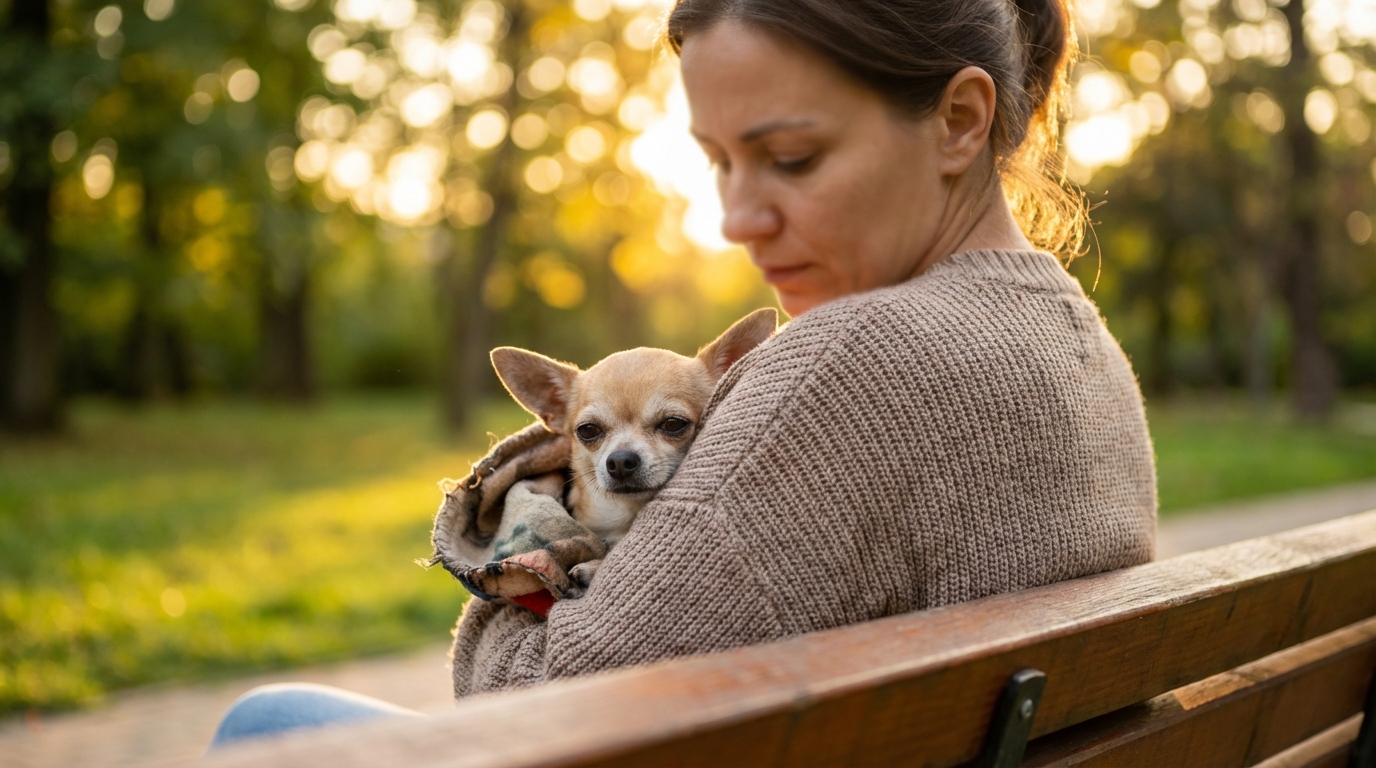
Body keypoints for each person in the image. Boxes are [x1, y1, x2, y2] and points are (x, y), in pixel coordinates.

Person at [211, 0, 1155, 745]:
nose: (735, 220)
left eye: (791, 157)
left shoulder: (850, 368)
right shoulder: (1079, 337)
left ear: (958, 120)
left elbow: (552, 709)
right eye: (717, 163)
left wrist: (509, 579)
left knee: (269, 725)